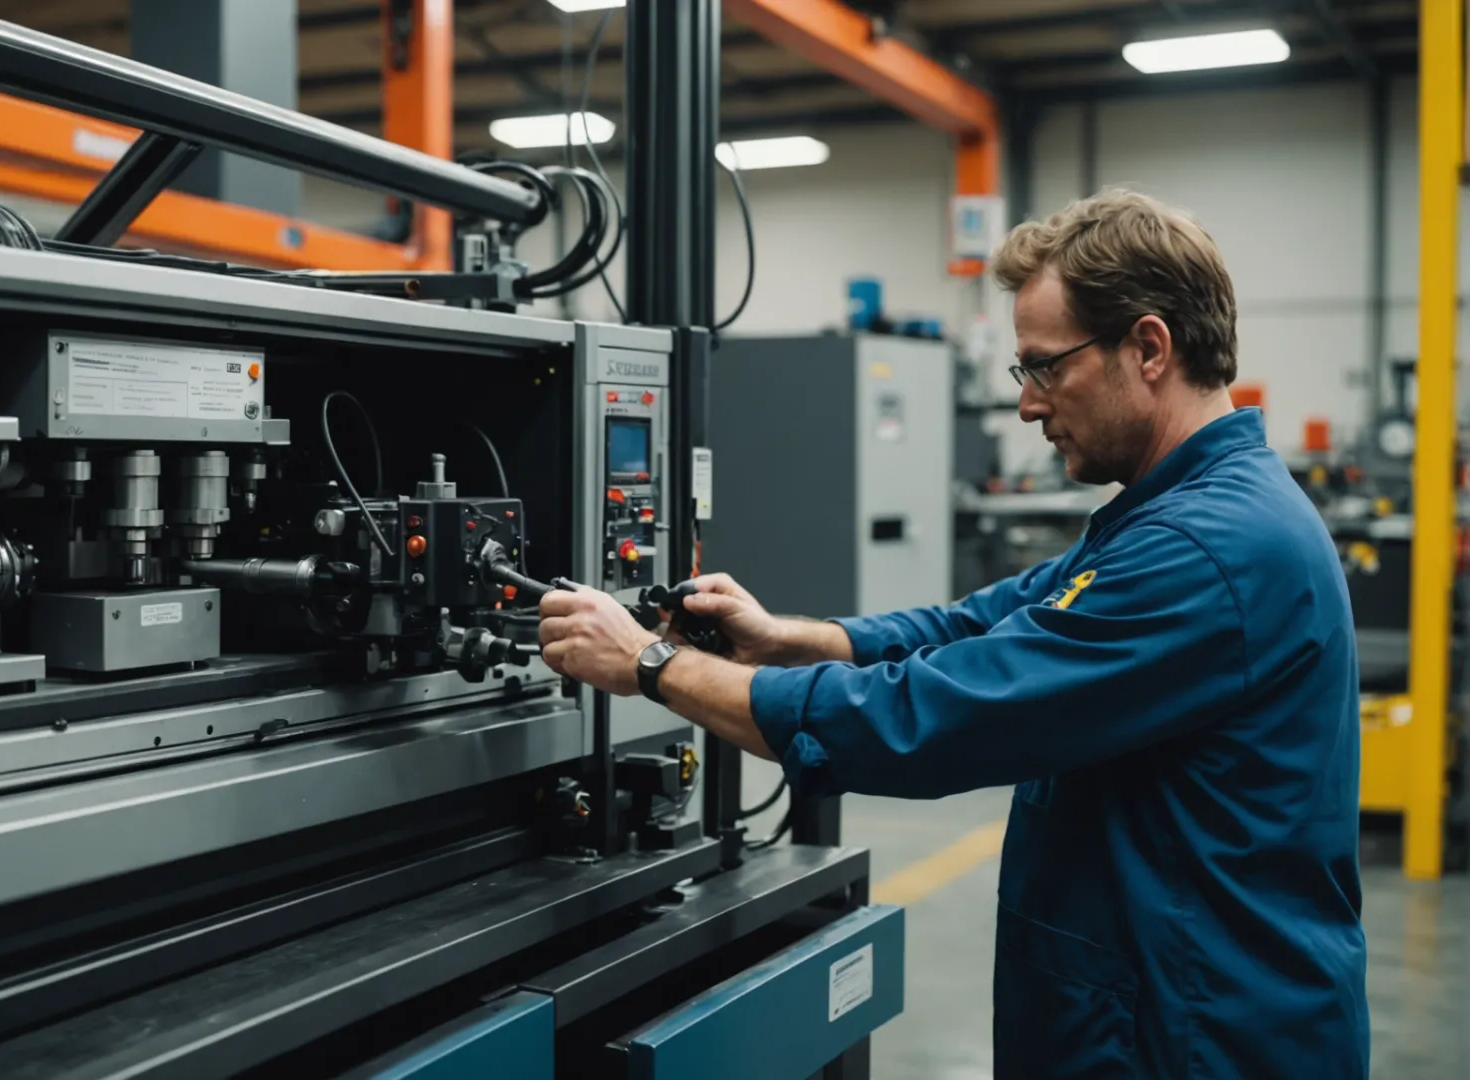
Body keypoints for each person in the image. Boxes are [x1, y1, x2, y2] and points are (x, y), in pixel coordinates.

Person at [537, 189, 1368, 1079]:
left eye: (1047, 368)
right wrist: (784, 639)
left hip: (1198, 1037)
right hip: (1160, 1009)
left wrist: (651, 665)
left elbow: (935, 717)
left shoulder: (1209, 550)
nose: (1028, 406)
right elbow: (979, 625)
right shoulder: (1169, 515)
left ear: (1149, 348)